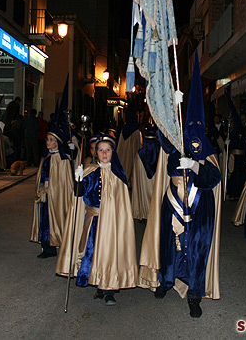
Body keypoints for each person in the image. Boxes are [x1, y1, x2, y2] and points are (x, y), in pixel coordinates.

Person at [139, 53, 222, 318]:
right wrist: (163, 106)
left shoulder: (208, 155)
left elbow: (214, 179)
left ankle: (194, 294)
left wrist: (196, 166)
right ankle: (166, 280)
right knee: (170, 245)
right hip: (172, 205)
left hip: (200, 211)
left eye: (198, 137)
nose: (194, 141)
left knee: (197, 249)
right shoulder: (175, 150)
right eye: (190, 137)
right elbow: (159, 140)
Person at [56, 135, 138, 306]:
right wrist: (78, 179)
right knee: (92, 252)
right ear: (96, 153)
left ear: (113, 153)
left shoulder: (118, 175)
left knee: (109, 253)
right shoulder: (90, 171)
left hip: (112, 224)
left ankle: (109, 289)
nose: (104, 153)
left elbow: (122, 205)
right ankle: (98, 285)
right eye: (101, 150)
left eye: (108, 150)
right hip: (93, 221)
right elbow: (79, 194)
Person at [31, 126, 73, 258]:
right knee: (44, 220)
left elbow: (64, 182)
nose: (48, 142)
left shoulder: (63, 160)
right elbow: (42, 175)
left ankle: (58, 243)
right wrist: (42, 185)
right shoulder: (46, 157)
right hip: (45, 193)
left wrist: (52, 188)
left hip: (55, 195)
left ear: (57, 142)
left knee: (54, 219)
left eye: (51, 140)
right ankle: (47, 247)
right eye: (47, 140)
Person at [130, 129, 159, 220]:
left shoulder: (140, 154)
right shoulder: (160, 154)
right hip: (156, 183)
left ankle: (143, 213)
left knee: (143, 191)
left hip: (144, 182)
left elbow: (136, 175)